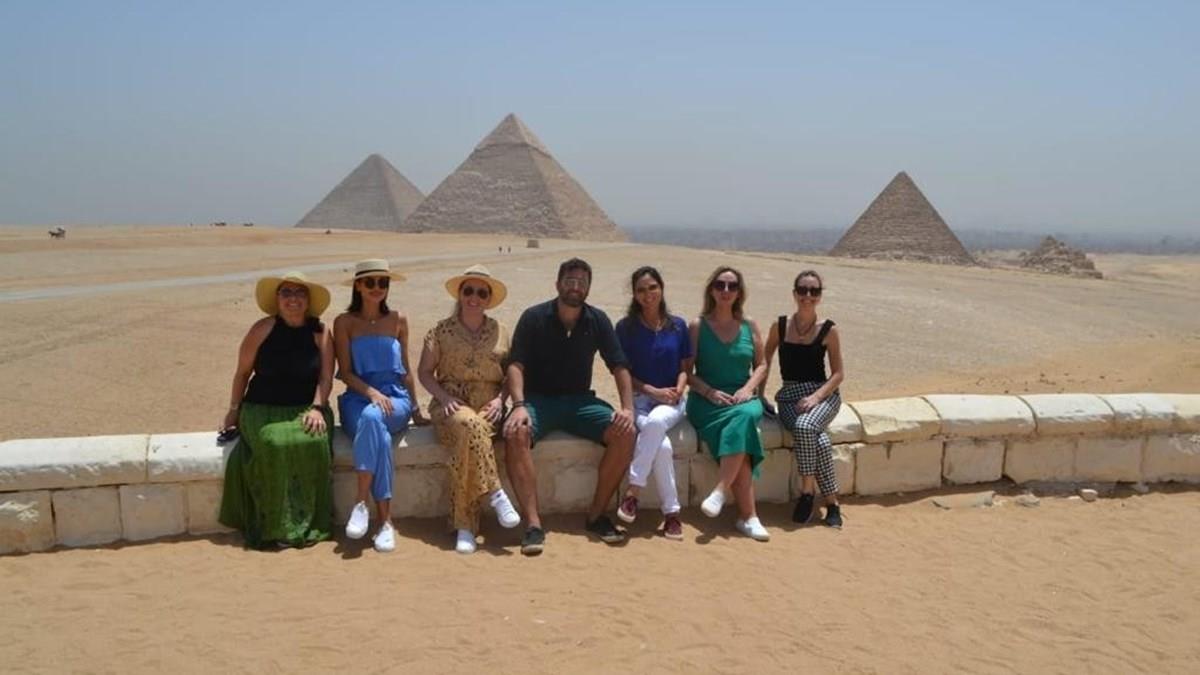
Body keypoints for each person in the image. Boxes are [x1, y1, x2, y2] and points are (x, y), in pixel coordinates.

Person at [503, 258, 636, 555]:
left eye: (581, 282)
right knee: (515, 432)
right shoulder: (533, 317)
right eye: (570, 281)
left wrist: (627, 408)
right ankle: (533, 525)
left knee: (626, 432)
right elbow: (515, 364)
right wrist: (519, 404)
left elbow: (619, 365)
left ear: (588, 288)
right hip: (538, 400)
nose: (575, 287)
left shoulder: (597, 320)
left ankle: (597, 515)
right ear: (558, 284)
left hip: (580, 402)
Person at [218, 271, 335, 549]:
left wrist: (317, 408)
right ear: (277, 299)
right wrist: (233, 410)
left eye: (300, 292)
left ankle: (306, 521)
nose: (293, 299)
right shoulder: (262, 329)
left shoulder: (321, 333)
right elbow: (242, 373)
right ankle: (275, 526)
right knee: (273, 442)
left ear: (308, 300)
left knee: (314, 442)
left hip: (306, 408)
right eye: (286, 293)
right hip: (261, 409)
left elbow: (326, 378)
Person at [417, 265, 522, 554]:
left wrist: (500, 400)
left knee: (468, 443)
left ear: (489, 298)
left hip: (489, 408)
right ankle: (496, 492)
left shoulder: (501, 331)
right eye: (469, 291)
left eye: (481, 293)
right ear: (460, 294)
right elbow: (424, 372)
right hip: (451, 407)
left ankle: (465, 526)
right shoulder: (440, 331)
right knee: (468, 424)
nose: (474, 298)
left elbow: (511, 373)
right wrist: (443, 397)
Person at [334, 259, 427, 553]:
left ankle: (360, 503)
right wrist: (371, 393)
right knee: (380, 435)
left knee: (373, 418)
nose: (377, 288)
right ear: (358, 286)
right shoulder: (344, 323)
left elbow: (406, 370)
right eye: (371, 282)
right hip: (357, 398)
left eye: (383, 283)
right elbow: (345, 372)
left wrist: (415, 410)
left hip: (395, 399)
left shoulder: (399, 320)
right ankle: (385, 522)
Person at [686, 266, 771, 541]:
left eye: (732, 286)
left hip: (742, 398)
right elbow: (686, 372)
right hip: (706, 402)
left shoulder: (749, 325)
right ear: (711, 289)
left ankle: (721, 491)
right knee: (742, 432)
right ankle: (749, 517)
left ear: (739, 292)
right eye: (720, 285)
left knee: (743, 417)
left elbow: (762, 364)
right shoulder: (697, 326)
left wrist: (748, 389)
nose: (726, 291)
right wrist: (709, 391)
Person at [763, 270, 846, 528]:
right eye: (802, 290)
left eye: (814, 291)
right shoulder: (779, 326)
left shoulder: (829, 330)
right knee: (819, 440)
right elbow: (764, 362)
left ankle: (807, 493)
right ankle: (832, 503)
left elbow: (838, 374)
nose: (807, 296)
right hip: (789, 398)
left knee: (805, 426)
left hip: (823, 396)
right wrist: (759, 395)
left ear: (820, 296)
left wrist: (815, 397)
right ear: (794, 293)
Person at [613, 266, 690, 540]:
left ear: (662, 288)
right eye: (641, 290)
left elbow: (686, 368)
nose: (648, 294)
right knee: (663, 447)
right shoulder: (625, 328)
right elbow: (622, 372)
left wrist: (678, 388)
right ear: (634, 294)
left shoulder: (678, 326)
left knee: (657, 422)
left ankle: (633, 491)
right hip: (639, 400)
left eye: (652, 287)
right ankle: (672, 514)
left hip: (672, 401)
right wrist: (652, 391)